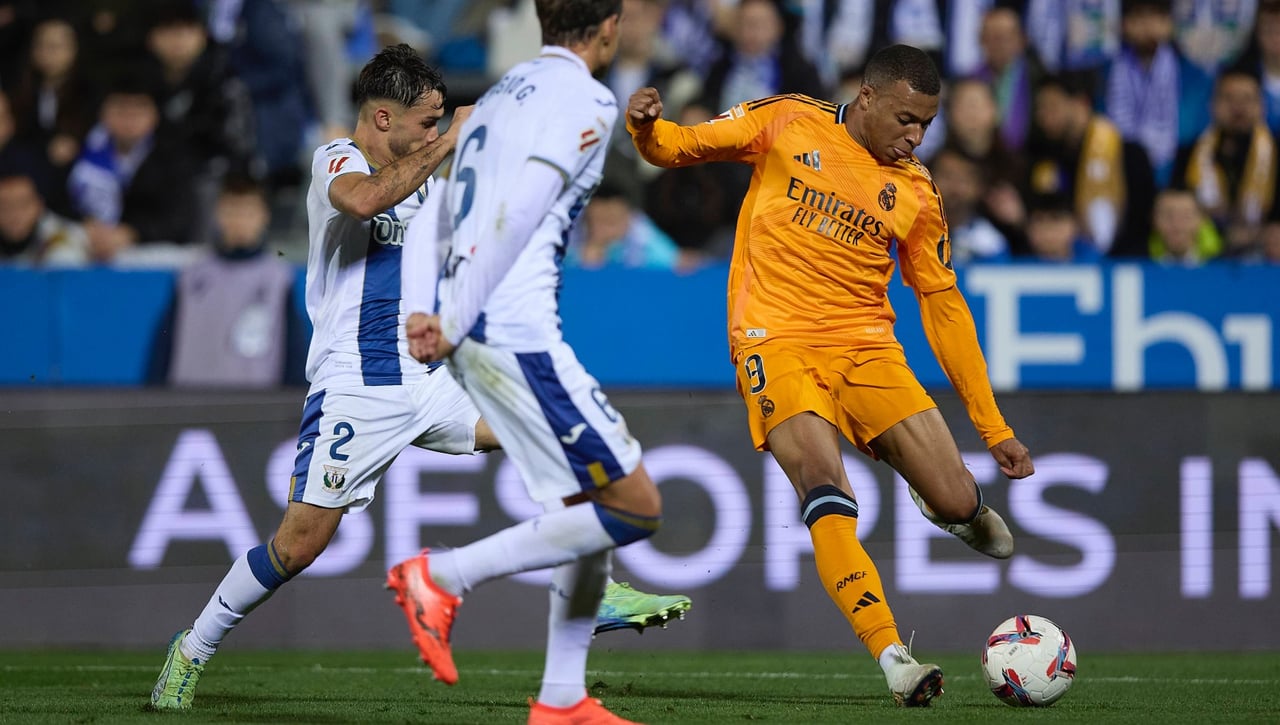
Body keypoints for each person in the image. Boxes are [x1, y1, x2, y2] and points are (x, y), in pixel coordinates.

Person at [149, 44, 686, 712]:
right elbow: (366, 198)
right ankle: (192, 647)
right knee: (299, 544)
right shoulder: (336, 161)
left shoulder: (431, 174)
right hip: (357, 382)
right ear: (381, 118)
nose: (434, 132)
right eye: (425, 121)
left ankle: (591, 587)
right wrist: (451, 141)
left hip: (431, 373)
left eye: (439, 121)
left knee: (547, 430)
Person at [626, 44, 1036, 706]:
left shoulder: (916, 191)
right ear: (868, 97)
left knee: (961, 499)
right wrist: (646, 127)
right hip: (775, 339)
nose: (915, 135)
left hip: (867, 347)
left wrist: (992, 427)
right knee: (822, 482)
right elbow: (680, 148)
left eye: (927, 124)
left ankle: (943, 502)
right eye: (906, 118)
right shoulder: (788, 120)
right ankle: (892, 654)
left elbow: (942, 303)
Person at [394, 2, 667, 721]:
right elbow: (520, 211)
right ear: (608, 27)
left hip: (476, 323)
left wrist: (424, 307)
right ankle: (442, 575)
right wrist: (450, 319)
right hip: (513, 329)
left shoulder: (498, 93)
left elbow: (436, 209)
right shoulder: (587, 99)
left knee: (582, 504)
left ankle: (562, 697)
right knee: (635, 506)